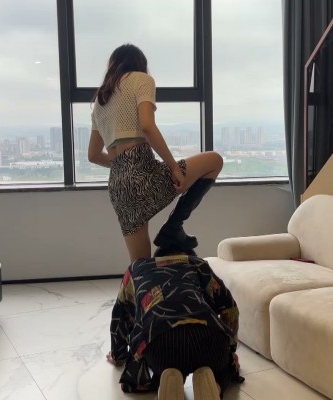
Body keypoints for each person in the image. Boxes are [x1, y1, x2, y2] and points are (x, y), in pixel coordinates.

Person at [88, 44, 223, 262]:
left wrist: (122, 166)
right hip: (143, 172)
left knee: (140, 266)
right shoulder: (142, 80)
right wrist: (173, 167)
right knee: (214, 161)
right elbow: (147, 126)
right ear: (140, 63)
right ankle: (173, 226)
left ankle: (135, 288)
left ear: (113, 65)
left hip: (118, 185)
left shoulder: (101, 100)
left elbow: (93, 155)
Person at [107, 248, 243, 399]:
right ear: (187, 255)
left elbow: (120, 314)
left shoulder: (136, 268)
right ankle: (212, 384)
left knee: (165, 364)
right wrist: (230, 350)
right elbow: (230, 308)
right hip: (209, 341)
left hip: (161, 345)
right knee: (224, 369)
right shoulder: (197, 263)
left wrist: (118, 355)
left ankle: (170, 377)